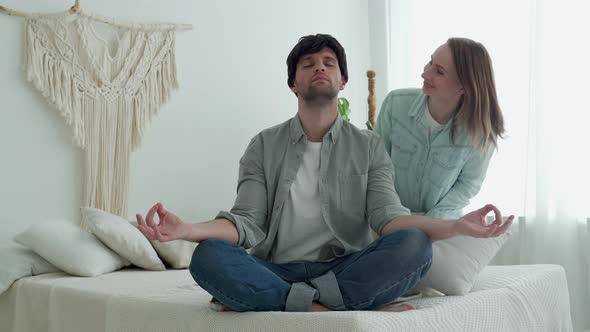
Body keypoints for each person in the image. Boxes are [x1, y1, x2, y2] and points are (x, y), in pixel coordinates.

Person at [136, 34, 513, 313]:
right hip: (277, 268)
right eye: (308, 63)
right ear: (293, 84)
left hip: (343, 265)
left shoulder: (369, 146)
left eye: (329, 62)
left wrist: (455, 227)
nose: (320, 66)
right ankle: (336, 306)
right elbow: (246, 222)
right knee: (208, 257)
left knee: (414, 245)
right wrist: (187, 231)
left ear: (342, 82)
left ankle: (287, 303)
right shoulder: (263, 145)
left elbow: (388, 218)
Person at [375, 37, 506, 219]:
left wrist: (430, 223)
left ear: (464, 87)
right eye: (430, 62)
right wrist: (395, 217)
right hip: (390, 217)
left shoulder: (481, 133)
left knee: (414, 242)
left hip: (440, 221)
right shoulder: (395, 104)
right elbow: (377, 165)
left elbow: (467, 185)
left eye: (439, 72)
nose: (425, 74)